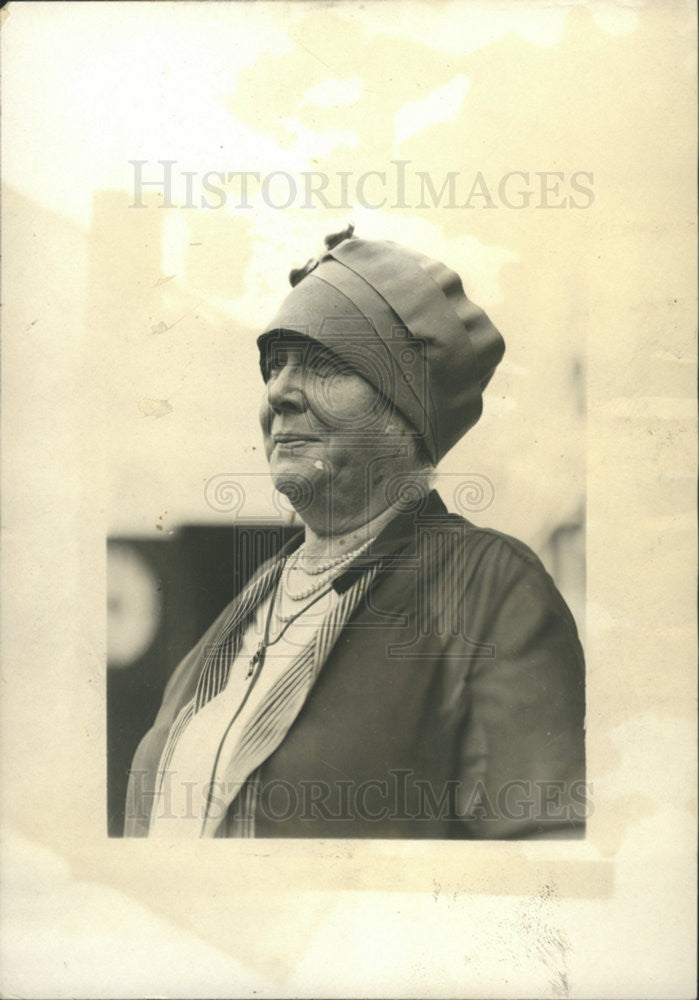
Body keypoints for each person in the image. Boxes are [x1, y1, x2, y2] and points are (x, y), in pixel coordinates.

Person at [124, 225, 586, 839]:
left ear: (407, 408)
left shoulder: (489, 588)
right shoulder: (254, 602)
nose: (279, 391)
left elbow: (540, 869)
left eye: (321, 364)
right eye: (273, 365)